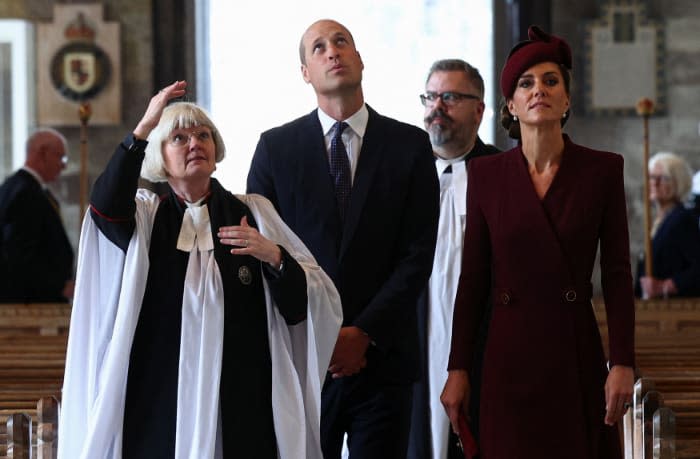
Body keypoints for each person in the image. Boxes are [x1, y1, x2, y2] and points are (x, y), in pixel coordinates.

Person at [58, 81, 342, 459]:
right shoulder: (146, 217)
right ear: (159, 155)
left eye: (203, 135)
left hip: (241, 394)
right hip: (159, 392)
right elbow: (105, 208)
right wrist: (142, 128)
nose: (195, 143)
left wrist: (275, 257)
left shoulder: (254, 212)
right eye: (179, 137)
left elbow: (301, 306)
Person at [247, 19, 439, 459]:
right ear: (305, 72)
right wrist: (320, 330)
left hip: (384, 357)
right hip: (304, 359)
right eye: (318, 47)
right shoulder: (276, 148)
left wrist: (364, 332)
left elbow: (418, 253)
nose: (332, 51)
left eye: (341, 42)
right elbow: (264, 248)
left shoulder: (408, 144)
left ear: (359, 60)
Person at [440, 26, 635, 458]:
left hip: (574, 347)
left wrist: (622, 361)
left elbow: (618, 274)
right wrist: (458, 368)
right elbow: (473, 281)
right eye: (525, 83)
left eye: (551, 81)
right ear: (510, 103)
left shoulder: (603, 170)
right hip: (507, 354)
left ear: (566, 99)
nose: (539, 90)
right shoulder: (487, 176)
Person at [408, 59, 500, 459]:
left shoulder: (502, 173)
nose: (436, 107)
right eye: (430, 96)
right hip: (417, 334)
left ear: (479, 110)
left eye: (450, 97)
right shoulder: (403, 174)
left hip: (484, 340)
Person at [0, 128, 74, 302]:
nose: (64, 166)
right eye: (60, 157)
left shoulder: (17, 187)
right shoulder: (25, 193)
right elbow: (20, 256)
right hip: (32, 301)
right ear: (42, 153)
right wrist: (58, 286)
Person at [635, 152, 700, 298]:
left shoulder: (682, 219)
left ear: (679, 182)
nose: (654, 183)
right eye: (651, 177)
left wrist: (665, 286)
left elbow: (698, 268)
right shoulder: (661, 221)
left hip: (672, 312)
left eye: (663, 178)